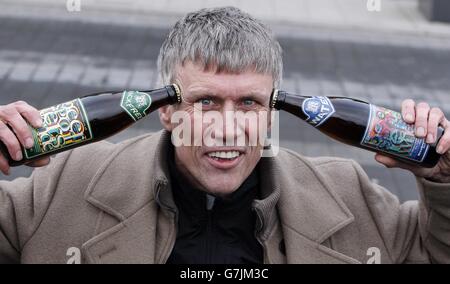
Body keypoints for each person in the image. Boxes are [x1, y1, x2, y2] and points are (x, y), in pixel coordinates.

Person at [0, 7, 450, 264]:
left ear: (273, 110)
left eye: (250, 103)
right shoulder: (65, 186)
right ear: (167, 111)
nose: (228, 127)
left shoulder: (349, 194)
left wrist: (443, 179)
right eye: (206, 102)